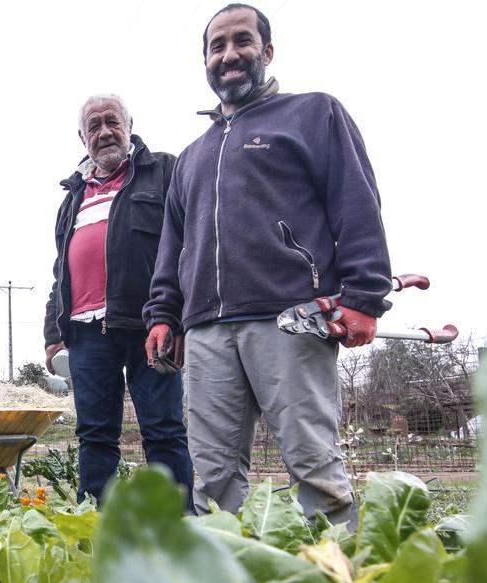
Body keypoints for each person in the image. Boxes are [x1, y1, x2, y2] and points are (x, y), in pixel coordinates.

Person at [144, 4, 392, 527]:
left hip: (289, 316)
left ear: (267, 51)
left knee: (313, 463)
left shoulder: (314, 113)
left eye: (242, 41)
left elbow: (356, 204)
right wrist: (163, 314)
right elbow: (173, 246)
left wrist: (364, 297)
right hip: (207, 331)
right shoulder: (191, 156)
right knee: (211, 477)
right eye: (217, 46)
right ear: (206, 61)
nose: (229, 54)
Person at [43, 95, 194, 509]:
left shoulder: (163, 170)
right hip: (87, 334)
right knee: (94, 434)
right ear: (82, 137)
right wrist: (53, 334)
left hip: (151, 324)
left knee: (163, 430)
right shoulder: (73, 196)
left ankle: (178, 528)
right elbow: (61, 270)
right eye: (94, 126)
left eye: (112, 122)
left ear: (129, 126)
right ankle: (96, 530)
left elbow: (186, 243)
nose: (104, 131)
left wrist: (177, 316)